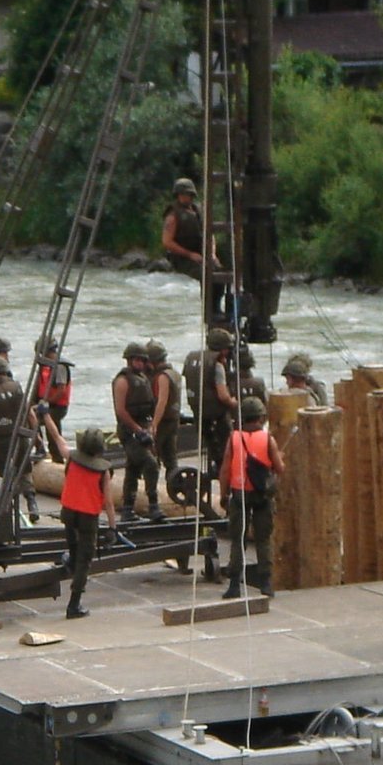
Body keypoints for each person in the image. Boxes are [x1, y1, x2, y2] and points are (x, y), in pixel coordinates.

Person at [220, 395, 283, 599]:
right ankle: (266, 583)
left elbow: (225, 469)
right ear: (261, 418)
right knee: (263, 540)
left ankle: (234, 585)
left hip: (240, 495)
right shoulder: (268, 439)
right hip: (262, 495)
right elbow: (280, 468)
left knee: (238, 540)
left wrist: (223, 494)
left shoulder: (234, 438)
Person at [59, 427, 120, 619]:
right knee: (85, 560)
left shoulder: (71, 459)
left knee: (73, 545)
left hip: (68, 511)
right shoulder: (103, 471)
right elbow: (108, 502)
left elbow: (58, 440)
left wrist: (46, 418)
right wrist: (112, 528)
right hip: (88, 517)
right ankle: (74, 604)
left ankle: (70, 561)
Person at [183, 326, 237, 513]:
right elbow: (222, 395)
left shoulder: (193, 358)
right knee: (227, 459)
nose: (229, 352)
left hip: (200, 416)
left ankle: (214, 471)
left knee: (215, 454)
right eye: (228, 348)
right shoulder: (218, 365)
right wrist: (234, 403)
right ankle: (227, 499)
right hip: (217, 417)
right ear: (222, 348)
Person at [161, 177, 226, 324]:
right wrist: (190, 254)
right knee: (207, 275)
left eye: (189, 195)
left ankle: (217, 308)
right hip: (182, 257)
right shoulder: (173, 215)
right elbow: (167, 242)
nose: (187, 197)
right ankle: (210, 312)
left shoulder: (198, 211)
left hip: (202, 254)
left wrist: (213, 254)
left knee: (220, 273)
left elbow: (210, 234)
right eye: (184, 194)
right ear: (178, 195)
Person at [111, 342, 164, 521]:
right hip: (129, 431)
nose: (140, 363)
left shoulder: (143, 379)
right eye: (137, 360)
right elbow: (121, 411)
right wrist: (138, 430)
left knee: (133, 469)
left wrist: (149, 429)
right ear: (129, 360)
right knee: (150, 465)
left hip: (143, 428)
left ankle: (127, 509)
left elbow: (150, 408)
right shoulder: (122, 381)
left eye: (143, 360)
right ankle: (153, 505)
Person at [145, 339, 181, 494]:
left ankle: (152, 492)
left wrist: (154, 424)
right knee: (171, 457)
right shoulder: (173, 373)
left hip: (163, 422)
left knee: (153, 457)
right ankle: (177, 489)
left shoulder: (162, 377)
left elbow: (161, 402)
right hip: (173, 419)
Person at [35, 336, 73, 460]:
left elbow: (61, 390)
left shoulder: (59, 366)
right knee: (28, 418)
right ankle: (39, 448)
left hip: (57, 406)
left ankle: (58, 459)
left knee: (52, 434)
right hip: (46, 403)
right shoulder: (45, 365)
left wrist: (46, 402)